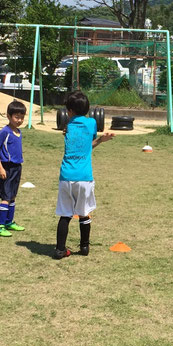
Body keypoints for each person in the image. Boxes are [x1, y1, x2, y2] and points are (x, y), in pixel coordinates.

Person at [54, 90, 114, 259]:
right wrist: (101, 139)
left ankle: (60, 249)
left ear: (69, 111)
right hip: (84, 177)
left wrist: (100, 141)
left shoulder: (67, 127)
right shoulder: (92, 123)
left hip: (66, 176)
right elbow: (90, 141)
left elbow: (86, 144)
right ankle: (85, 247)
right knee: (84, 212)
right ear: (87, 109)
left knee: (65, 214)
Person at [0, 100, 27, 237]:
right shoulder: (5, 132)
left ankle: (9, 222)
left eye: (22, 118)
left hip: (17, 168)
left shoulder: (19, 132)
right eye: (16, 117)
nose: (19, 120)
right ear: (8, 116)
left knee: (12, 196)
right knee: (6, 197)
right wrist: (0, 167)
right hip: (6, 167)